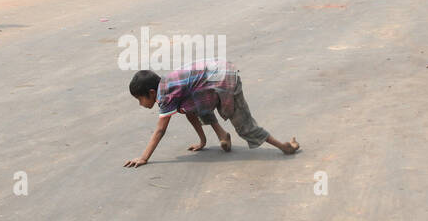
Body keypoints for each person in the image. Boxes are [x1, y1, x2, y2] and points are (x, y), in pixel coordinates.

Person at [123, 62, 300, 168]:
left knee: (244, 126)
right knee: (191, 105)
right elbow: (189, 112)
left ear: (151, 92)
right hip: (212, 79)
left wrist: (144, 157)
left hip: (224, 79)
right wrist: (203, 142)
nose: (141, 104)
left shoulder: (166, 95)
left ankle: (284, 147)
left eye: (140, 99)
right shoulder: (168, 85)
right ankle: (222, 135)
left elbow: (160, 130)